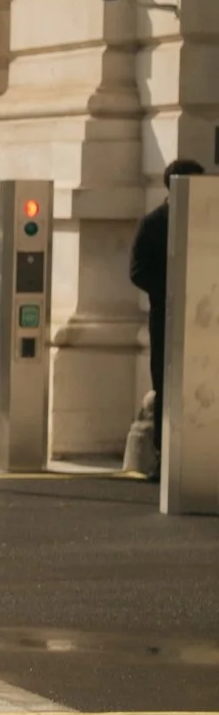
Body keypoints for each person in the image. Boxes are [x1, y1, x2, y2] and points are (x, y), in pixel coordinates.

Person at [130, 158, 206, 479]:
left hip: (204, 319)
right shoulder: (154, 223)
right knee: (166, 384)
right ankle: (164, 456)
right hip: (167, 316)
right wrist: (173, 290)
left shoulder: (207, 221)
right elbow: (138, 272)